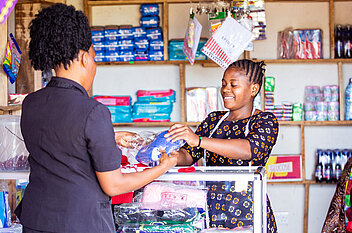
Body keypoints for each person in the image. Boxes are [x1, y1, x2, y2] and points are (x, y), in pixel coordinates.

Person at [14, 4, 177, 233]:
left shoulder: (31, 103)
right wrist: (164, 167)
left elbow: (62, 141)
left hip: (36, 220)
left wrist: (109, 137)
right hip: (80, 223)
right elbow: (114, 185)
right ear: (83, 58)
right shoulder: (94, 111)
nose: (94, 65)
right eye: (94, 57)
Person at [166, 59, 279, 232]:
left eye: (234, 85)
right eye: (224, 84)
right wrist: (170, 156)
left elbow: (247, 150)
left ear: (253, 89)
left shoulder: (265, 121)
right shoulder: (213, 119)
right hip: (212, 207)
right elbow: (189, 155)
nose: (226, 89)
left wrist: (199, 140)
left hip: (248, 208)